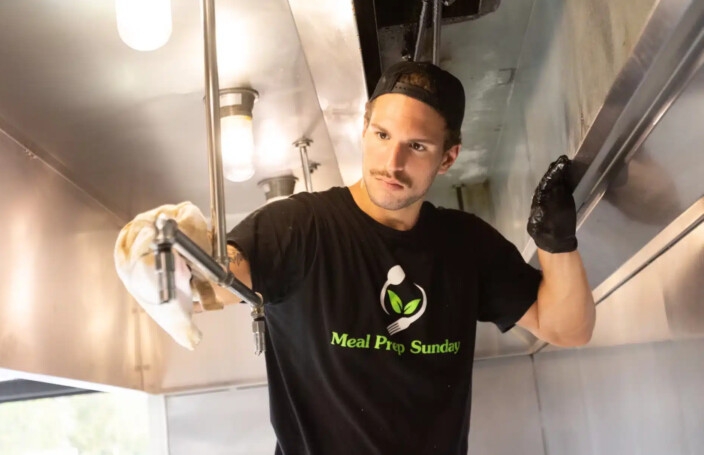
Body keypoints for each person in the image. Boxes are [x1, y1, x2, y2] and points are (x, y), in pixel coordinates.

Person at [117, 61, 596, 454]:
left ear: (447, 158)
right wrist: (171, 254)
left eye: (417, 146)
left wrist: (554, 241)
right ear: (364, 129)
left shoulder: (466, 245)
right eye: (382, 135)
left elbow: (568, 328)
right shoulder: (299, 227)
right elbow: (217, 282)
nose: (393, 163)